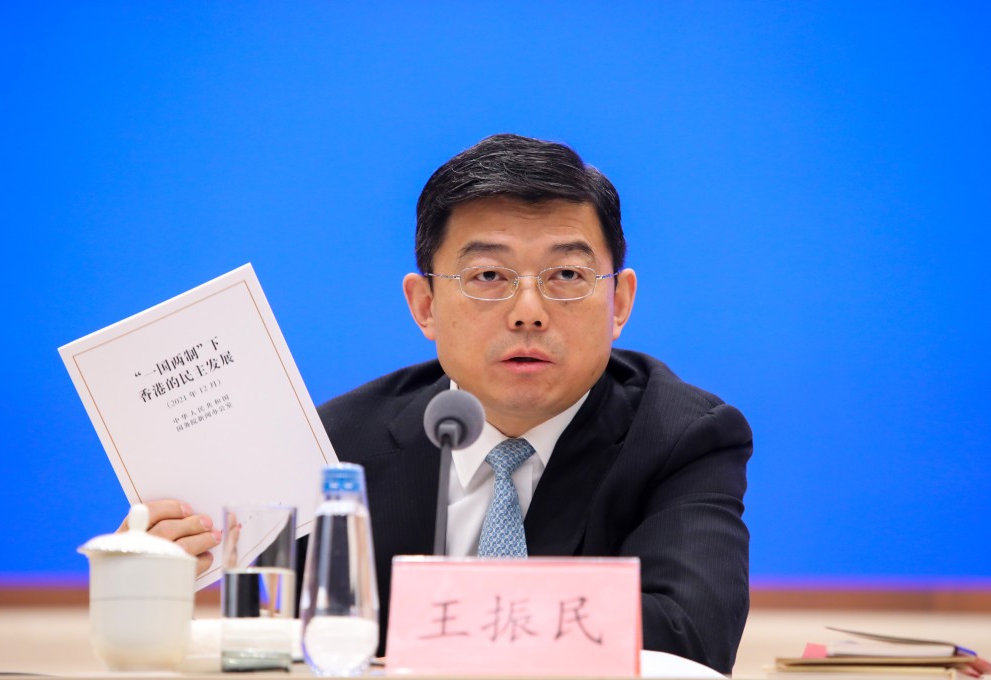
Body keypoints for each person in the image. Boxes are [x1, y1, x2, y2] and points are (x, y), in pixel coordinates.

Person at [132, 134, 752, 673]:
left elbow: (689, 638)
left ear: (618, 303)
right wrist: (158, 578)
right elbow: (270, 639)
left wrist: (447, 615)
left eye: (566, 276)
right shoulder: (334, 450)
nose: (528, 311)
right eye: (489, 277)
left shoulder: (682, 437)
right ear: (425, 304)